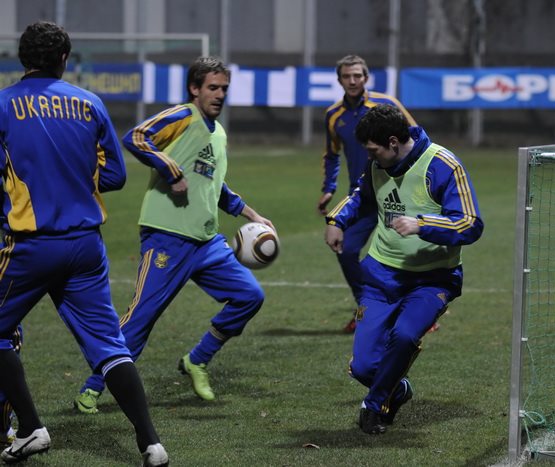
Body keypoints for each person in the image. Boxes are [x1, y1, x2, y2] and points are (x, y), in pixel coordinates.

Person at [0, 21, 168, 465]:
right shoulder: (89, 103)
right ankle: (151, 443)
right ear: (64, 59)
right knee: (109, 346)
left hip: (31, 246)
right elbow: (114, 174)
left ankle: (31, 428)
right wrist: (74, 180)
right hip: (86, 248)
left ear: (22, 59)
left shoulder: (3, 104)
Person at [74, 56, 274, 412]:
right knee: (140, 318)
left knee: (249, 296)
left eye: (224, 88)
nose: (220, 94)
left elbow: (214, 184)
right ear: (194, 89)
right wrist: (171, 169)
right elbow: (136, 137)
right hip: (167, 236)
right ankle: (92, 388)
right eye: (213, 87)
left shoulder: (219, 132)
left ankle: (197, 359)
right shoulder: (183, 116)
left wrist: (251, 213)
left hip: (207, 242)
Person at [324, 104, 484, 434]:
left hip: (433, 279)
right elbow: (360, 195)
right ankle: (398, 390)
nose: (370, 157)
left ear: (394, 142)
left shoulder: (442, 165)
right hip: (381, 275)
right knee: (363, 367)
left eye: (374, 150)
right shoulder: (377, 164)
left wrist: (422, 225)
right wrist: (337, 221)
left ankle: (373, 406)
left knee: (405, 335)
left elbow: (470, 224)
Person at [318, 54, 424, 333]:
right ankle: (364, 308)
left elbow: (416, 137)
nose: (352, 81)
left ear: (366, 77)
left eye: (357, 75)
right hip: (363, 196)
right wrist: (328, 189)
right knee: (346, 249)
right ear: (339, 80)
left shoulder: (386, 104)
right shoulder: (333, 115)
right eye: (346, 76)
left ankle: (421, 311)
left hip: (396, 193)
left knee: (406, 253)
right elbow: (332, 155)